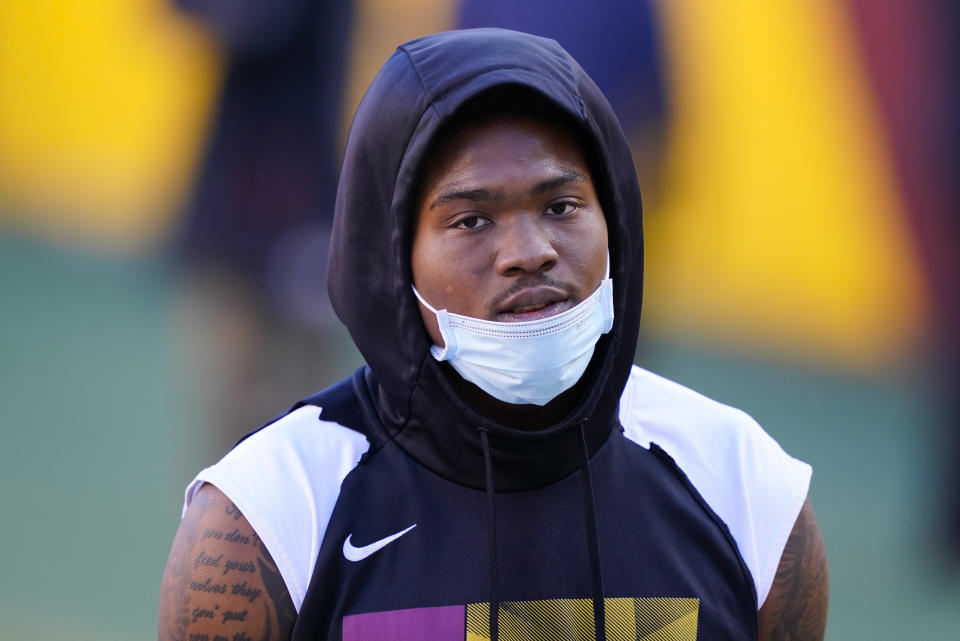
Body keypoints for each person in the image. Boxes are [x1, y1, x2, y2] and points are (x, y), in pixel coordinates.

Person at [157, 28, 828, 641]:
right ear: (392, 257)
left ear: (616, 220)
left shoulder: (744, 486)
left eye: (562, 205)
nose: (529, 251)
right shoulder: (270, 514)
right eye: (472, 220)